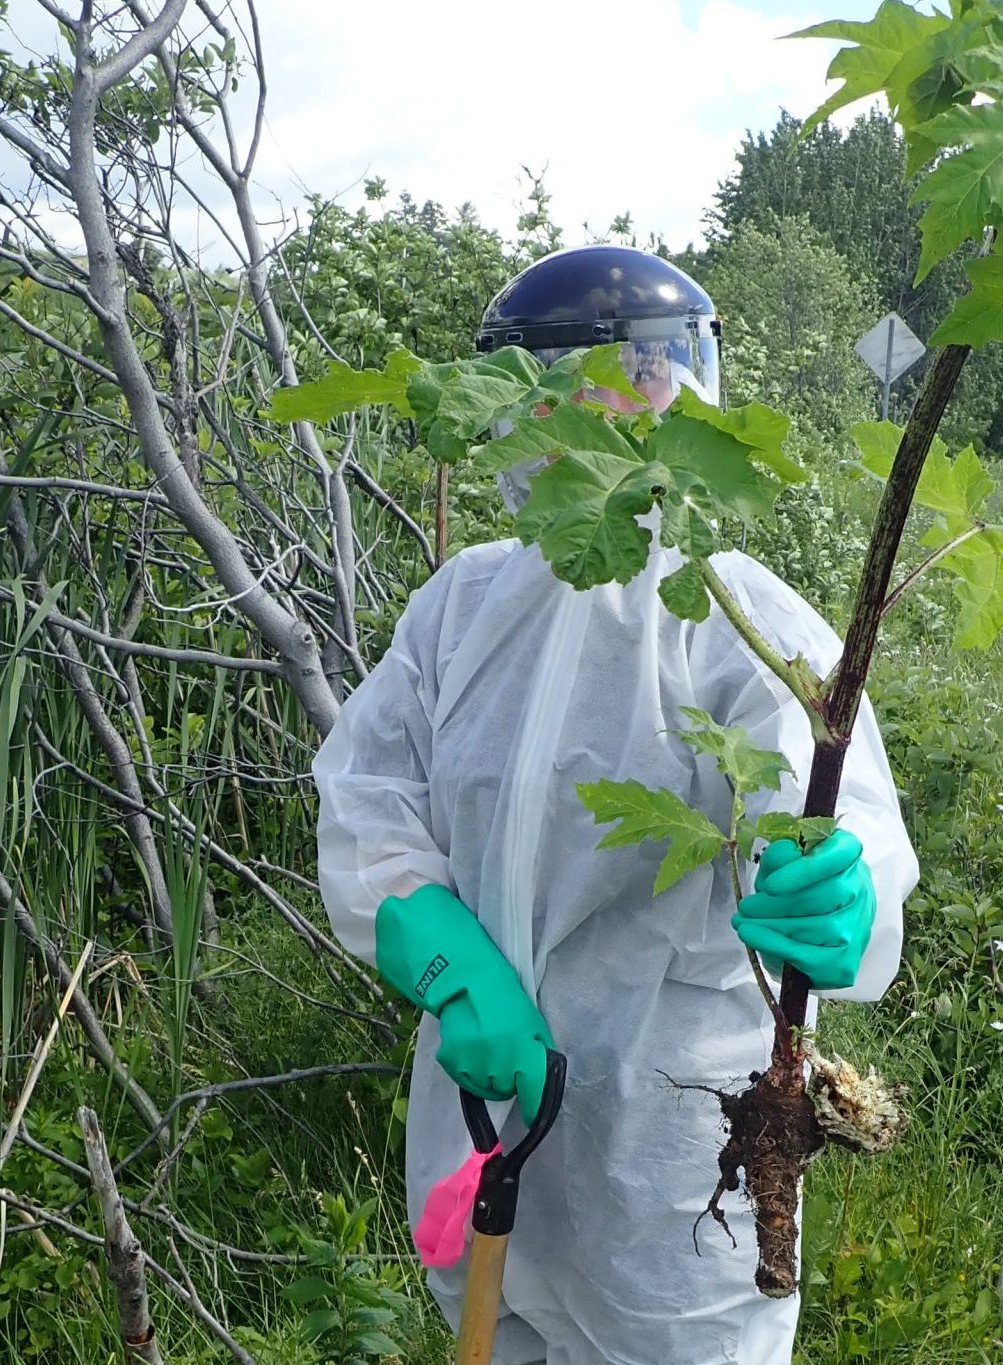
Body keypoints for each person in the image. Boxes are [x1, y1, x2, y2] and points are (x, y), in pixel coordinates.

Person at [313, 244, 919, 1365]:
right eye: (563, 387)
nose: (608, 410)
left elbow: (843, 818)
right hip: (483, 1114)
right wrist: (442, 948)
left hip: (672, 1149)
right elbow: (367, 798)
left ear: (683, 393)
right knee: (496, 1331)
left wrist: (845, 887)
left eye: (640, 379)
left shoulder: (731, 612)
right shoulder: (460, 608)